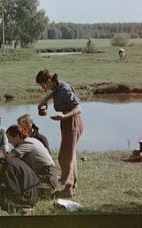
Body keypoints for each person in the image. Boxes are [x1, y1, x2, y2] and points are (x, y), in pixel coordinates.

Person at [35, 69, 83, 198]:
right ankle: (71, 186)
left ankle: (68, 188)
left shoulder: (64, 88)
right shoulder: (57, 86)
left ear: (48, 81)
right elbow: (55, 93)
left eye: (42, 85)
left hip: (72, 121)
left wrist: (64, 116)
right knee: (70, 154)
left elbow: (78, 108)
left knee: (64, 156)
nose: (42, 88)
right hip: (67, 122)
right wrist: (45, 101)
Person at [6, 124, 58, 196]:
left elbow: (8, 158)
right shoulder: (31, 140)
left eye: (9, 138)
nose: (9, 141)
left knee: (21, 190)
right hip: (45, 174)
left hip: (47, 177)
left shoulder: (26, 144)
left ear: (17, 136)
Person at [0, 147, 40, 212]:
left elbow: (13, 190)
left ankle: (23, 209)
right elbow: (4, 178)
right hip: (31, 192)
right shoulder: (9, 161)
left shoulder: (9, 167)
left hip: (28, 195)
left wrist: (0, 190)